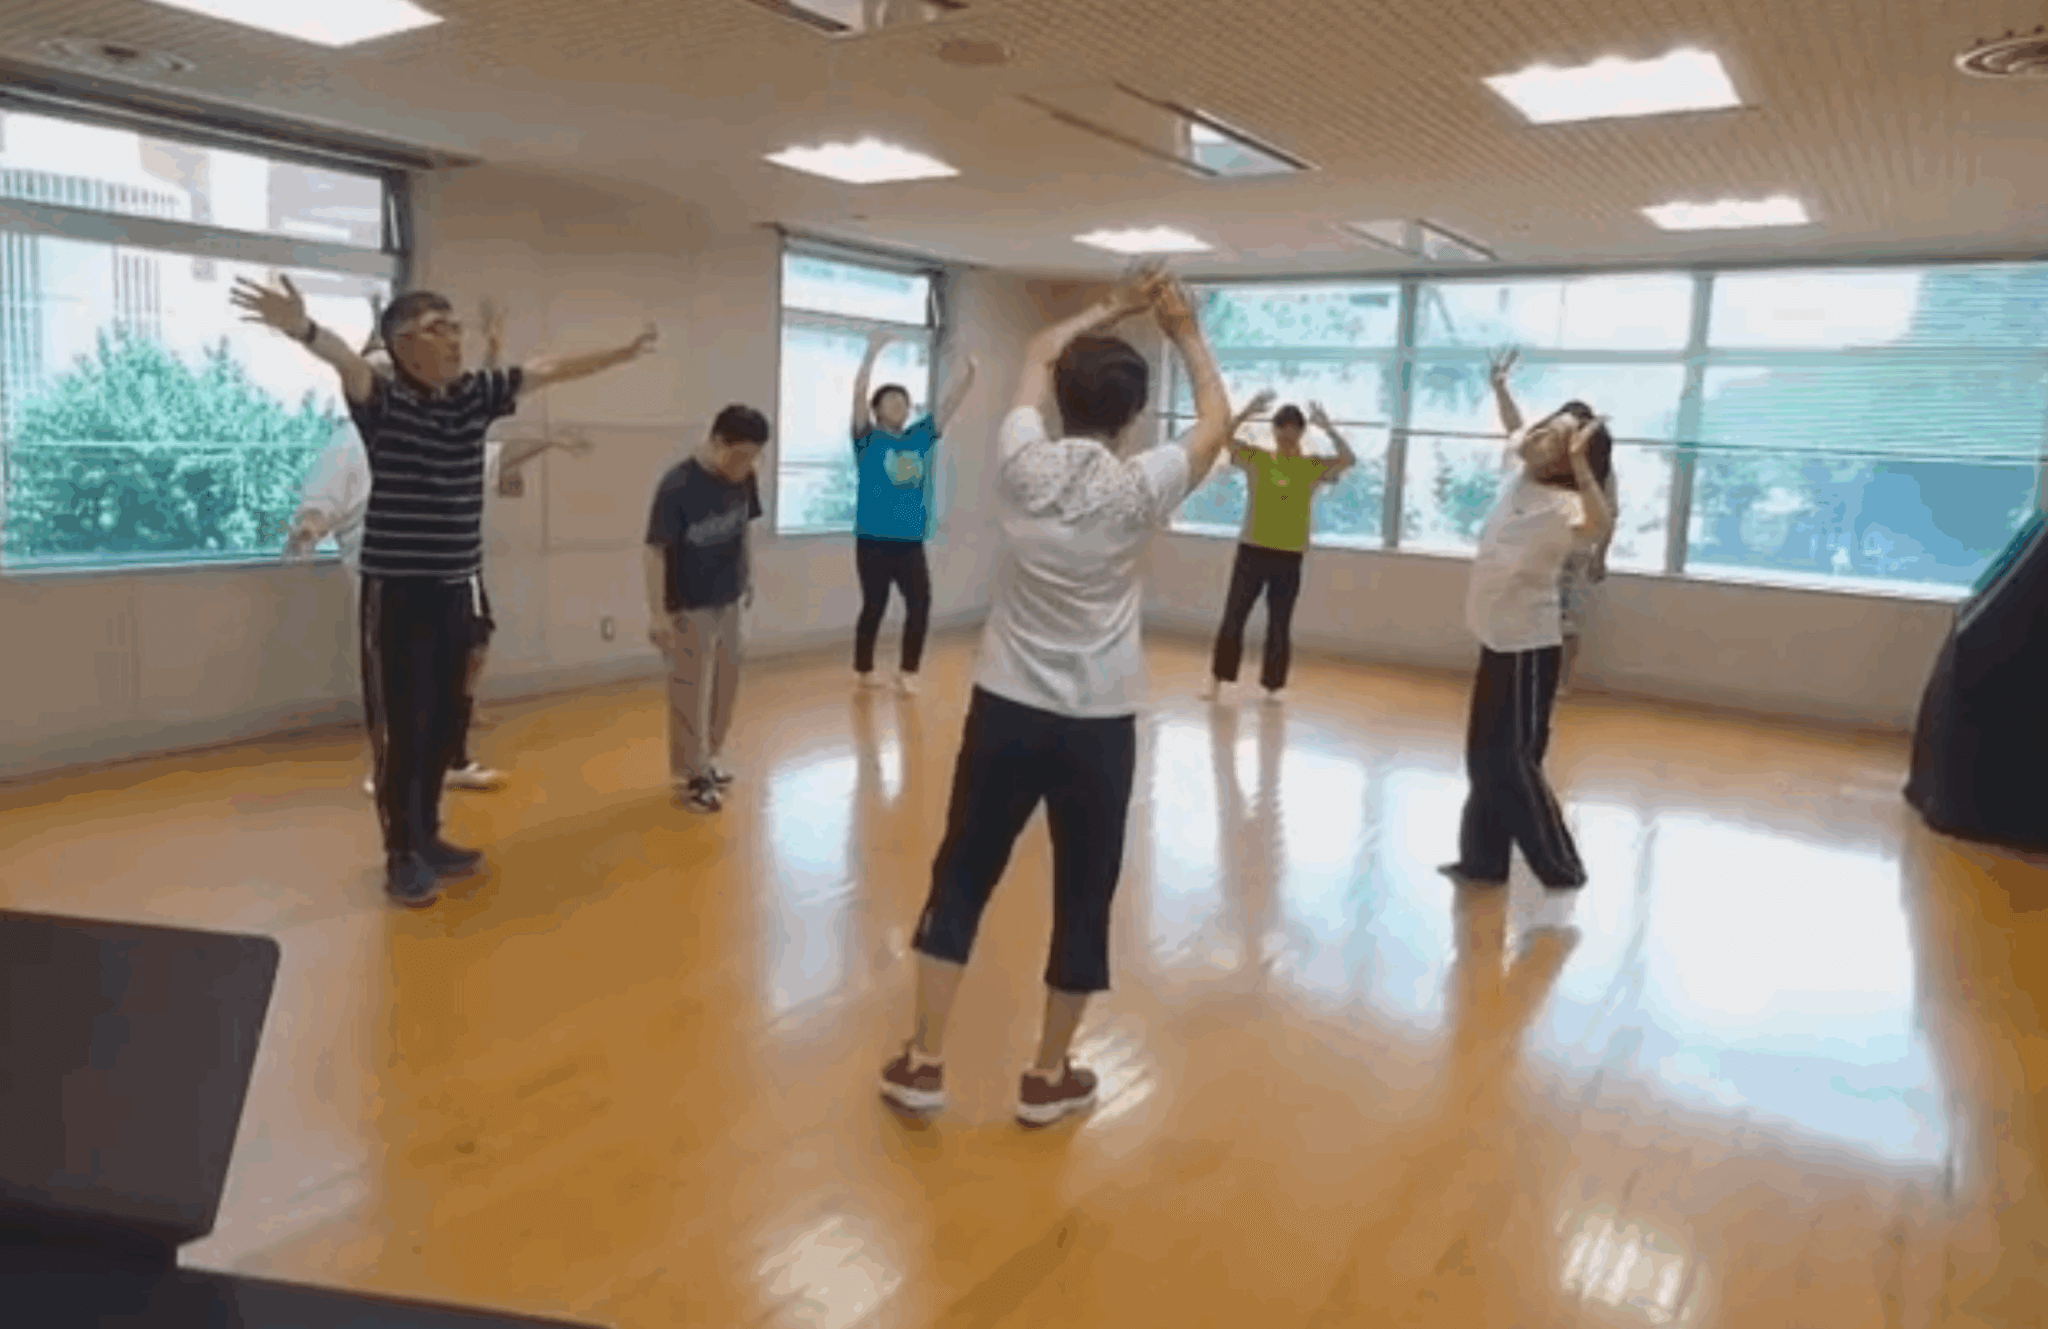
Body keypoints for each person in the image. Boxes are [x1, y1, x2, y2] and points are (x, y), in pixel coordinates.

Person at [876, 270, 1236, 1127]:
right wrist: (1184, 328)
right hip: (1099, 723)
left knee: (962, 874)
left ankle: (923, 1060)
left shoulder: (1021, 461)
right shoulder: (1143, 484)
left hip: (1005, 706)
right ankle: (1047, 1075)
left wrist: (1115, 305)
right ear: (1133, 415)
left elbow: (1038, 349)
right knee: (1084, 891)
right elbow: (1217, 420)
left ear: (1060, 401)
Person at [235, 274, 657, 907]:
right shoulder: (383, 401)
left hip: (456, 587)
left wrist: (621, 354)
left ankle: (429, 837)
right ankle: (400, 854)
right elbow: (347, 362)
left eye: (457, 326)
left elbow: (546, 368)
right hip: (397, 593)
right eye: (438, 329)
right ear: (402, 344)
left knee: (440, 725)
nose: (455, 338)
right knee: (402, 731)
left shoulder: (473, 397)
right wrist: (302, 326)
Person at [285, 297, 593, 795]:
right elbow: (322, 498)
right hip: (390, 576)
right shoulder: (353, 438)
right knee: (399, 681)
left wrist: (550, 439)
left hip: (454, 569)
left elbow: (492, 448)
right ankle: (391, 770)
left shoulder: (440, 419)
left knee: (467, 654)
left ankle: (452, 756)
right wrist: (309, 526)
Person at [1438, 390, 1615, 893]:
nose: (1537, 437)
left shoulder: (1567, 505)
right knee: (1483, 758)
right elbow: (1515, 428)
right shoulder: (1521, 477)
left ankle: (1561, 867)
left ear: (1569, 458)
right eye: (1543, 429)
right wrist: (1500, 389)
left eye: (1553, 438)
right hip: (1495, 638)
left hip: (1528, 648)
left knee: (1514, 762)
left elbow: (1600, 525)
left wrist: (1580, 463)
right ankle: (1483, 861)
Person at [643, 405, 772, 814]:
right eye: (741, 455)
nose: (748, 465)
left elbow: (744, 528)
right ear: (718, 442)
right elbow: (654, 550)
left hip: (728, 596)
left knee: (727, 680)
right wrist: (658, 614)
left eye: (755, 456)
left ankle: (709, 758)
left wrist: (748, 574)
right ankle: (692, 774)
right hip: (689, 602)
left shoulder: (745, 477)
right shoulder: (678, 485)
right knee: (688, 687)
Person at [1200, 397, 1358, 703]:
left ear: (1300, 433)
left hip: (1289, 556)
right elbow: (1225, 441)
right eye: (1281, 430)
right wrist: (1247, 412)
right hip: (1252, 551)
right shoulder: (1258, 460)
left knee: (1279, 622)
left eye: (1292, 431)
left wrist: (1328, 428)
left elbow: (1348, 459)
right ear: (1274, 431)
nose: (1286, 436)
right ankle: (1218, 680)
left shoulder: (1311, 467)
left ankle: (1273, 687)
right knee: (1234, 616)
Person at [848, 333, 979, 694]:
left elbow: (948, 407)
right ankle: (864, 668)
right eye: (890, 401)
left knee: (920, 604)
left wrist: (969, 376)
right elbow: (858, 395)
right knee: (874, 605)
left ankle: (908, 672)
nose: (898, 406)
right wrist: (871, 353)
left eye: (903, 402)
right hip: (872, 540)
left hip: (909, 541)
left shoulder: (918, 438)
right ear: (877, 410)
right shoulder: (867, 439)